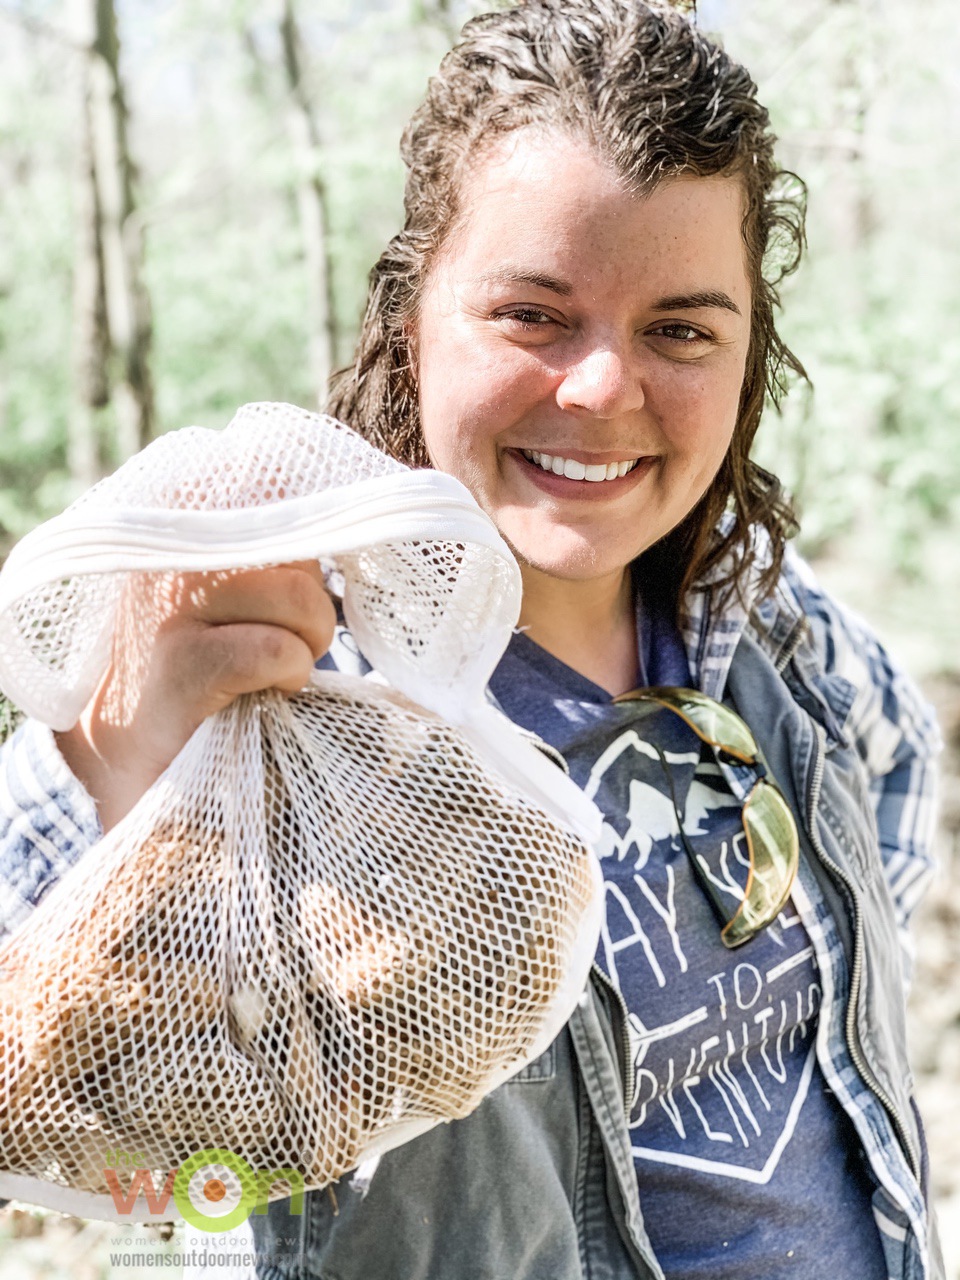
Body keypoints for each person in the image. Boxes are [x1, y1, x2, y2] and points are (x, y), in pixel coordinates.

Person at [0, 1, 945, 1277]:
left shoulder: (787, 641)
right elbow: (132, 1169)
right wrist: (138, 827)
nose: (604, 388)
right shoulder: (260, 696)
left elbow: (889, 839)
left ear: (747, 361)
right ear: (411, 320)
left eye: (681, 328)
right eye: (533, 314)